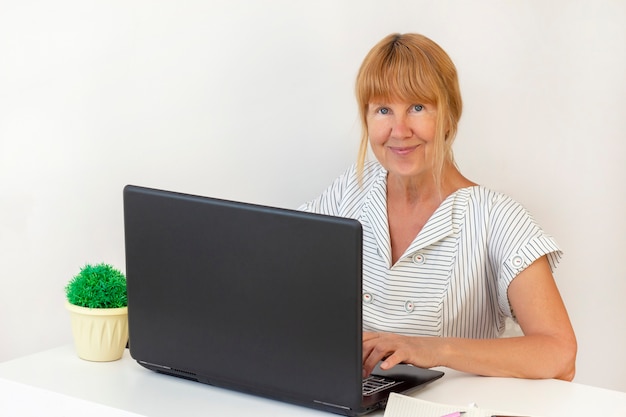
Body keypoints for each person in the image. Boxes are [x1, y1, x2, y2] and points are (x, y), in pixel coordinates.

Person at [299, 33, 577, 381]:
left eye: (417, 107)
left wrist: (434, 349)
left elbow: (559, 353)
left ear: (449, 115)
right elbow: (283, 279)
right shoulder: (349, 192)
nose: (399, 130)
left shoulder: (497, 218)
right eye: (383, 110)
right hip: (353, 400)